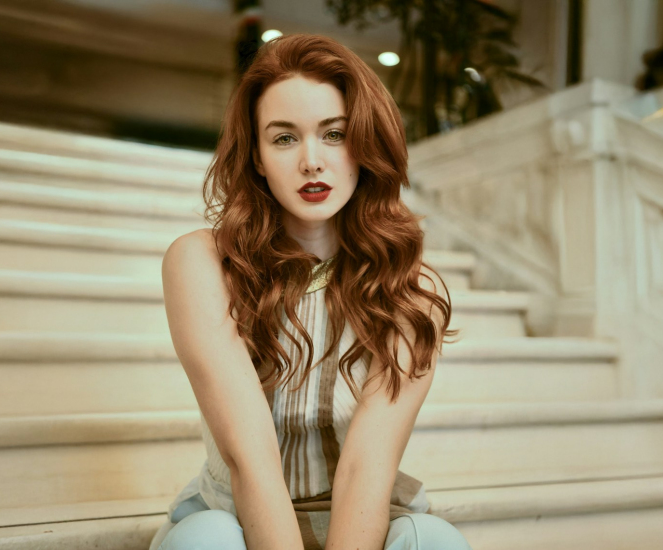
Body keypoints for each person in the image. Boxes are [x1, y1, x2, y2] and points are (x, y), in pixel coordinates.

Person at [149, 32, 472, 550]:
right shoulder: (203, 263)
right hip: (237, 517)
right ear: (256, 156)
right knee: (205, 541)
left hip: (363, 520)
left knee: (435, 541)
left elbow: (367, 466)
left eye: (334, 134)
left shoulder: (409, 287)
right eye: (283, 138)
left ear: (365, 144)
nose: (312, 162)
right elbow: (247, 458)